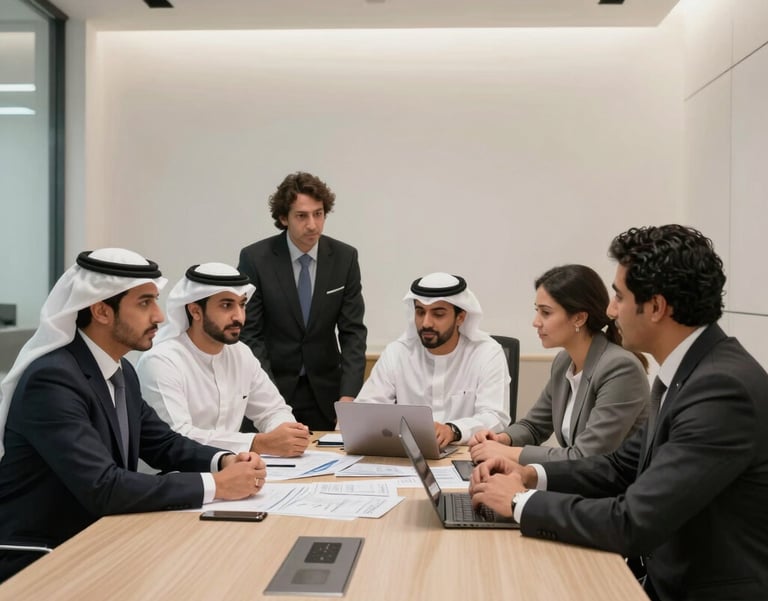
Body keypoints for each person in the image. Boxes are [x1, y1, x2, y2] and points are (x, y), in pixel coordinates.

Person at [469, 225, 768, 601]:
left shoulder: (721, 390)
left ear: (656, 307)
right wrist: (530, 474)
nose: (609, 311)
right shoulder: (689, 372)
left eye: (619, 296)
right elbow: (619, 466)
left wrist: (518, 502)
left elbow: (635, 522)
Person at [0, 249, 267, 582]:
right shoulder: (53, 379)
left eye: (156, 301)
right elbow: (103, 486)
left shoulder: (121, 370)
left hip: (102, 538)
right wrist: (216, 485)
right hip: (45, 558)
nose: (159, 316)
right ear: (101, 311)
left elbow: (162, 443)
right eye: (144, 303)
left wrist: (225, 460)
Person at [468, 264, 649, 464]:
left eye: (546, 313)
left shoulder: (620, 369)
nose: (536, 322)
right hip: (579, 484)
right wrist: (503, 439)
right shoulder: (564, 361)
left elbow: (586, 456)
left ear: (579, 318)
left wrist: (507, 453)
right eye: (537, 311)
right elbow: (533, 426)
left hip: (615, 491)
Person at [136, 263, 310, 457]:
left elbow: (273, 410)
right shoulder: (161, 361)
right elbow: (178, 437)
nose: (239, 317)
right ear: (195, 311)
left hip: (235, 472)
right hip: (173, 478)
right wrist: (256, 443)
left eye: (242, 304)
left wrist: (287, 434)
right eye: (227, 305)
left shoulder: (241, 354)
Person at [238, 172, 367, 431]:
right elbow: (250, 334)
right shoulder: (256, 259)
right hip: (270, 389)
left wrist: (349, 397)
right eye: (302, 216)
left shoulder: (344, 258)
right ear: (284, 218)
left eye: (318, 214)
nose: (313, 225)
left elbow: (352, 332)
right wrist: (269, 399)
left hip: (326, 396)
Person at [355, 272, 511, 447]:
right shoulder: (397, 352)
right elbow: (364, 410)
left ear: (460, 317)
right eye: (420, 312)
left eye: (438, 314)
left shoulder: (487, 353)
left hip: (467, 457)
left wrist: (453, 430)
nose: (426, 323)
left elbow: (495, 416)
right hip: (407, 457)